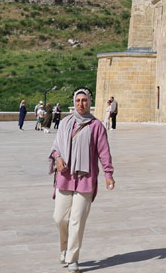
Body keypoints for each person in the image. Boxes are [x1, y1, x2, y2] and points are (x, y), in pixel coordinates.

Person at [49, 88, 114, 272]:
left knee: (77, 220)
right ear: (73, 101)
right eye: (78, 100)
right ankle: (64, 248)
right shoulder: (65, 123)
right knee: (60, 218)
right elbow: (55, 147)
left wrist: (108, 174)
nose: (81, 103)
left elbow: (104, 152)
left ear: (89, 102)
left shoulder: (96, 126)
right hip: (65, 176)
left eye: (84, 100)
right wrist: (58, 157)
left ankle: (72, 258)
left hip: (86, 178)